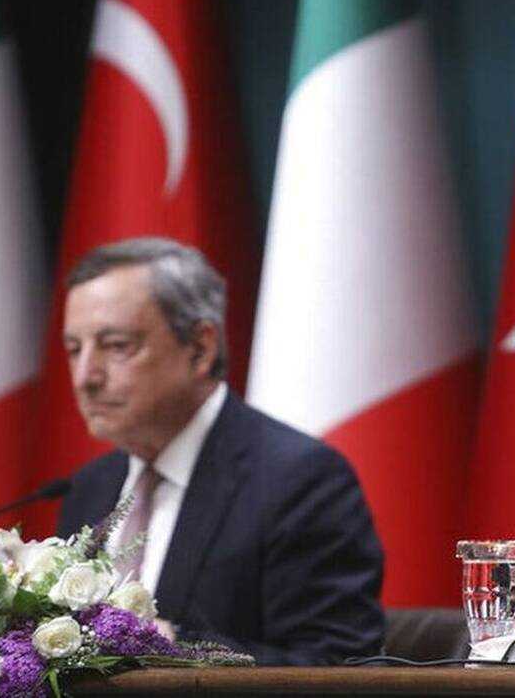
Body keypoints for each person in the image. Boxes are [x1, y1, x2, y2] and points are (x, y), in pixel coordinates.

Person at [55, 237, 386, 665]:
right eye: (74, 349)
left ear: (200, 348)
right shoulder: (90, 488)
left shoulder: (301, 481)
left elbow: (339, 666)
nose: (85, 377)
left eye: (117, 346)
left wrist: (174, 646)